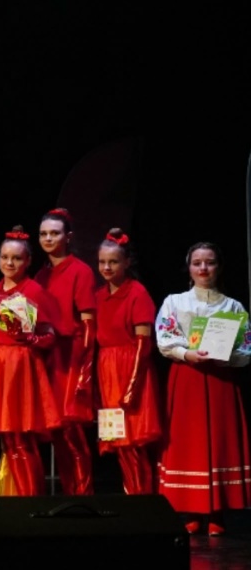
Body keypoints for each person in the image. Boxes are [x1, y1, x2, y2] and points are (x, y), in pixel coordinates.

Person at [155, 242, 251, 535]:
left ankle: (218, 511)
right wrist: (188, 354)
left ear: (219, 267)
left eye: (209, 262)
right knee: (188, 441)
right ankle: (191, 510)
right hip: (188, 376)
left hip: (220, 380)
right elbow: (164, 339)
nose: (203, 268)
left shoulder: (232, 307)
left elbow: (246, 349)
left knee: (219, 440)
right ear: (189, 268)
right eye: (197, 263)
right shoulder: (175, 302)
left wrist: (227, 358)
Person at [0, 228, 63, 497]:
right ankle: (14, 495)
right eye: (5, 257)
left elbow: (50, 336)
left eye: (16, 258)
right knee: (8, 438)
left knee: (23, 438)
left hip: (22, 366)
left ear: (27, 261)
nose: (10, 263)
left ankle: (31, 498)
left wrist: (30, 338)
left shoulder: (34, 291)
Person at [34, 208, 97, 495]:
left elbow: (88, 324)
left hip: (71, 355)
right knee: (57, 430)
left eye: (54, 233)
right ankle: (68, 491)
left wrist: (84, 370)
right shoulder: (40, 275)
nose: (48, 238)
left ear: (68, 237)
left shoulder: (80, 271)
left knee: (72, 430)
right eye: (44, 234)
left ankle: (83, 495)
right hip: (48, 355)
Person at [94, 229, 162, 494]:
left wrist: (132, 386)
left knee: (135, 442)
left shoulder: (137, 293)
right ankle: (131, 495)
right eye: (102, 262)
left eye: (113, 262)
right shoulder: (99, 295)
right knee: (119, 441)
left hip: (132, 370)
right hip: (107, 371)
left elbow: (144, 344)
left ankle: (143, 499)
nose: (107, 267)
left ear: (127, 262)